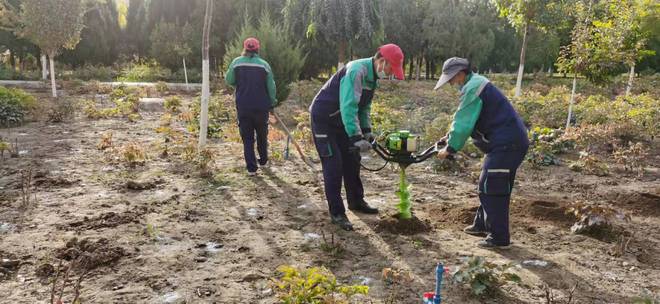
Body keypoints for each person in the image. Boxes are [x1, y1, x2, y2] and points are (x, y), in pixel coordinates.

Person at [435, 57, 529, 248]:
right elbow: (468, 120)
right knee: (493, 185)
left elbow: (463, 121)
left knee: (490, 186)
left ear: (460, 74)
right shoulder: (476, 84)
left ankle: (499, 238)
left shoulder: (473, 87)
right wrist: (448, 138)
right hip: (508, 143)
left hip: (506, 144)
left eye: (452, 79)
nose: (451, 84)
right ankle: (482, 225)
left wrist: (451, 148)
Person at [309, 44, 405, 231]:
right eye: (390, 69)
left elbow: (364, 107)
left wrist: (366, 131)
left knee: (352, 160)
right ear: (382, 61)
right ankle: (337, 212)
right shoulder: (356, 71)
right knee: (334, 164)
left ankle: (356, 201)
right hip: (324, 120)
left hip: (343, 121)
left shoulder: (372, 77)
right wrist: (355, 136)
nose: (390, 73)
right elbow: (349, 105)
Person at [225, 37, 277, 176]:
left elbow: (229, 80)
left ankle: (252, 169)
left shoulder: (236, 62)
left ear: (245, 48)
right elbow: (271, 86)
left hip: (243, 106)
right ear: (257, 49)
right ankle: (264, 161)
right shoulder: (264, 65)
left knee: (247, 138)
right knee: (262, 134)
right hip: (261, 106)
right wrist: (272, 103)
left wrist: (240, 83)